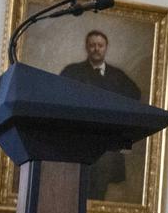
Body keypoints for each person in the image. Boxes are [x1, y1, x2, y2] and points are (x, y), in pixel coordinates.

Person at [61, 29, 143, 200]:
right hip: (79, 139)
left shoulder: (118, 76)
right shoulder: (73, 72)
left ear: (106, 48)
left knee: (101, 182)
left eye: (100, 45)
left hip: (107, 141)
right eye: (92, 45)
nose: (96, 49)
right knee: (75, 183)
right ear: (86, 48)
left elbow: (134, 95)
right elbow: (60, 96)